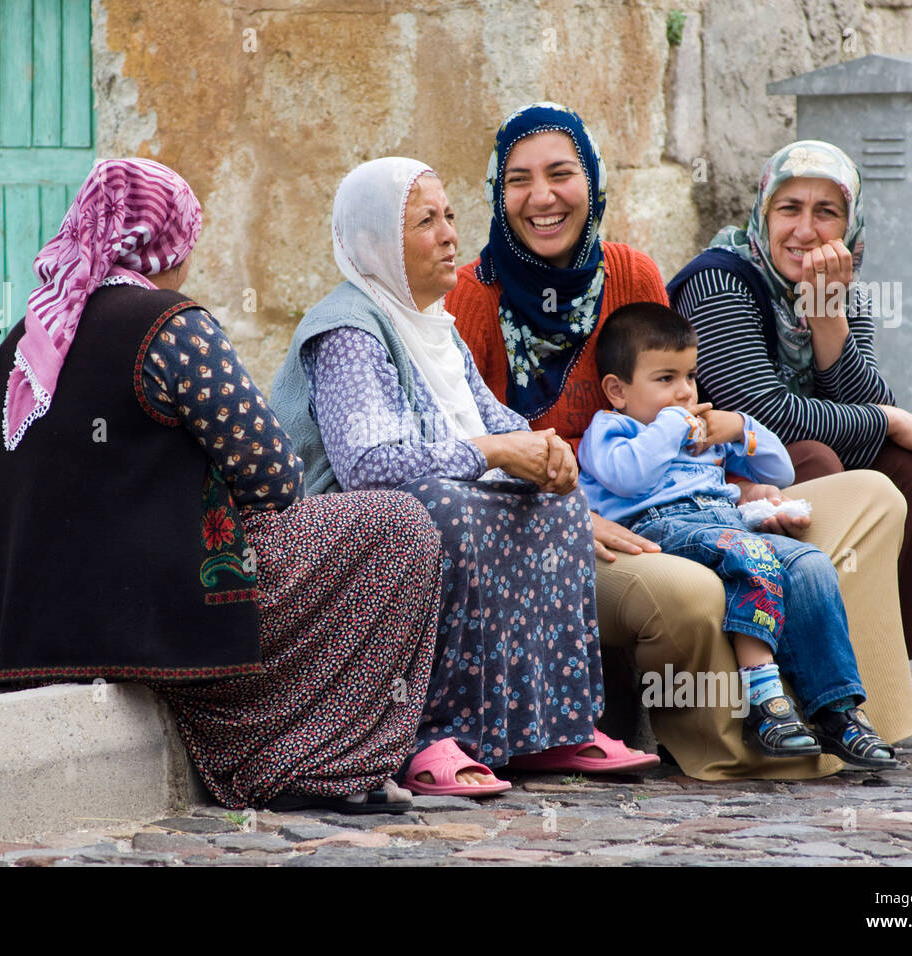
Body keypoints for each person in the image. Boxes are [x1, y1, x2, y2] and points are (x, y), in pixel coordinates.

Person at [447, 102, 912, 780]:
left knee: (872, 494)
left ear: (594, 181)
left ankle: (849, 715)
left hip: (699, 505)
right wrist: (567, 515)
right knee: (698, 586)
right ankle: (752, 746)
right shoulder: (473, 298)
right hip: (553, 523)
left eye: (560, 174)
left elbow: (683, 388)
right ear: (497, 192)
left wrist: (737, 460)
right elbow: (462, 455)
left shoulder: (632, 275)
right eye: (519, 180)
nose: (542, 197)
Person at [0, 158, 445, 815]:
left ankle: (270, 749)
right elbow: (276, 475)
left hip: (29, 635)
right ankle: (322, 763)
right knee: (400, 526)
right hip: (154, 614)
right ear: (168, 242)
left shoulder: (27, 338)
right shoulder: (167, 324)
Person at [270, 156, 660, 798]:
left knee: (555, 505)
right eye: (427, 221)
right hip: (342, 538)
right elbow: (368, 464)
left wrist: (547, 455)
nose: (451, 234)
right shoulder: (348, 330)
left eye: (450, 216)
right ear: (376, 243)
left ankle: (552, 729)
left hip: (414, 505)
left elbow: (496, 423)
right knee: (450, 510)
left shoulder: (436, 330)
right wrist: (500, 452)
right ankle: (427, 735)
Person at [666, 139, 912, 733]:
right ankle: (822, 658)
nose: (806, 231)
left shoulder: (841, 283)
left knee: (902, 464)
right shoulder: (721, 281)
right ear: (763, 213)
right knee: (816, 454)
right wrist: (888, 420)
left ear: (851, 221)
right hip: (714, 478)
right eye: (789, 208)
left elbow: (868, 409)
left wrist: (827, 318)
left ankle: (889, 655)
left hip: (794, 455)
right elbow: (763, 416)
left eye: (826, 212)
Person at [578, 302, 897, 768]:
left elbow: (780, 469)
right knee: (751, 555)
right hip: (661, 528)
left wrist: (742, 429)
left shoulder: (704, 432)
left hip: (724, 521)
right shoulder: (613, 429)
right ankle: (765, 703)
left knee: (809, 564)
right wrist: (669, 427)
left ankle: (835, 709)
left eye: (689, 376)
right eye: (665, 379)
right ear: (617, 389)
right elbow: (626, 477)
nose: (685, 392)